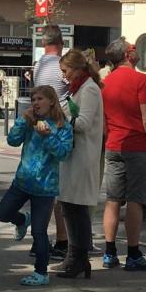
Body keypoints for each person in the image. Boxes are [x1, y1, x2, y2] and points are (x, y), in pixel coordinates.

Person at [0, 85, 72, 286]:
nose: (35, 103)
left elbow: (64, 153)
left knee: (39, 231)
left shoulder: (62, 126)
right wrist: (23, 121)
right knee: (2, 213)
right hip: (22, 181)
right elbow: (12, 140)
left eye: (40, 99)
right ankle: (22, 219)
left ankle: (41, 272)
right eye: (33, 99)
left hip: (45, 187)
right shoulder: (30, 121)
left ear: (51, 101)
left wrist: (49, 137)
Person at [100, 37, 146, 271]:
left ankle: (109, 251)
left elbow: (104, 120)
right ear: (126, 55)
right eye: (132, 48)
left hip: (114, 144)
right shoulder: (141, 81)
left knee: (113, 199)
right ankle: (133, 253)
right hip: (138, 146)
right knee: (136, 199)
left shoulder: (105, 83)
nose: (135, 50)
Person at [55, 48, 105, 279]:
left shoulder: (90, 90)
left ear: (77, 69)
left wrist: (60, 118)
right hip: (72, 155)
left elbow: (83, 123)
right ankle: (74, 256)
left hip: (83, 155)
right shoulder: (76, 89)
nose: (63, 76)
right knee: (68, 205)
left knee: (77, 207)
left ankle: (80, 256)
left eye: (65, 71)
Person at [30, 26, 69, 257]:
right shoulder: (61, 67)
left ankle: (39, 237)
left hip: (40, 128)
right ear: (61, 42)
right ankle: (62, 238)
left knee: (43, 188)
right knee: (57, 189)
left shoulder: (39, 66)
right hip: (58, 126)